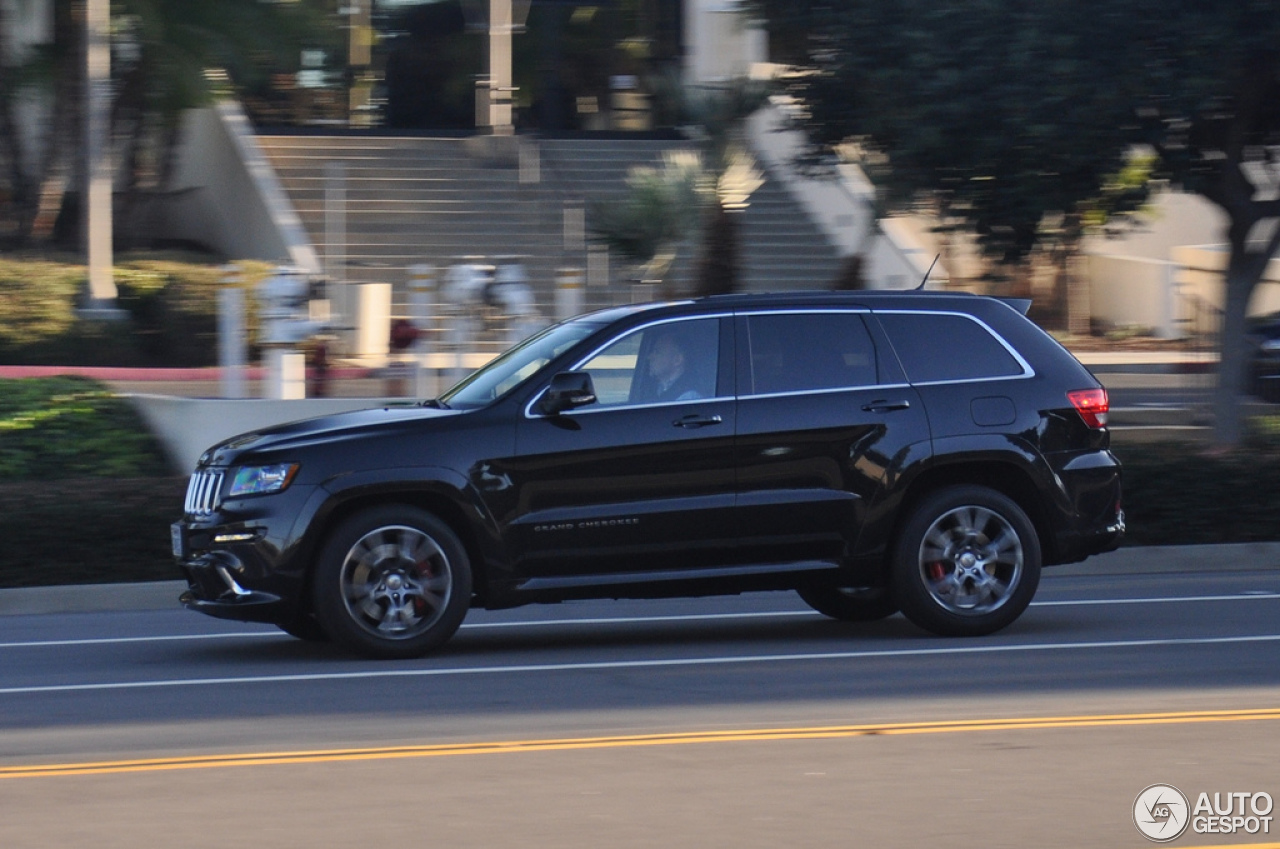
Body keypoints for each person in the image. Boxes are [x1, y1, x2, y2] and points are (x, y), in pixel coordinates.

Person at [645, 332, 703, 402]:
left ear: (677, 360)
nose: (650, 357)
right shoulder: (653, 388)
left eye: (657, 352)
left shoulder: (688, 397)